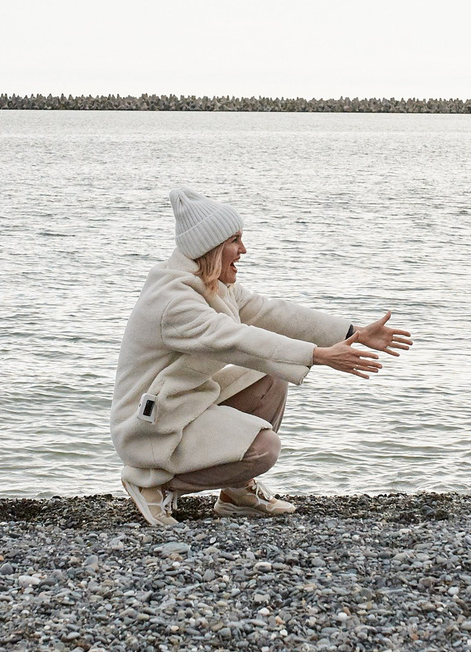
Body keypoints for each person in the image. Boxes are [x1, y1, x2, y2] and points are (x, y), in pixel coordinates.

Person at [112, 188, 411, 527]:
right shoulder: (174, 301)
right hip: (150, 424)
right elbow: (238, 339)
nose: (243, 250)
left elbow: (273, 313)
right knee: (264, 449)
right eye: (235, 241)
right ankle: (151, 481)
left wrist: (352, 332)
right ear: (210, 247)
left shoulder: (209, 283)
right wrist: (317, 355)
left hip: (182, 402)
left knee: (270, 377)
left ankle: (237, 494)